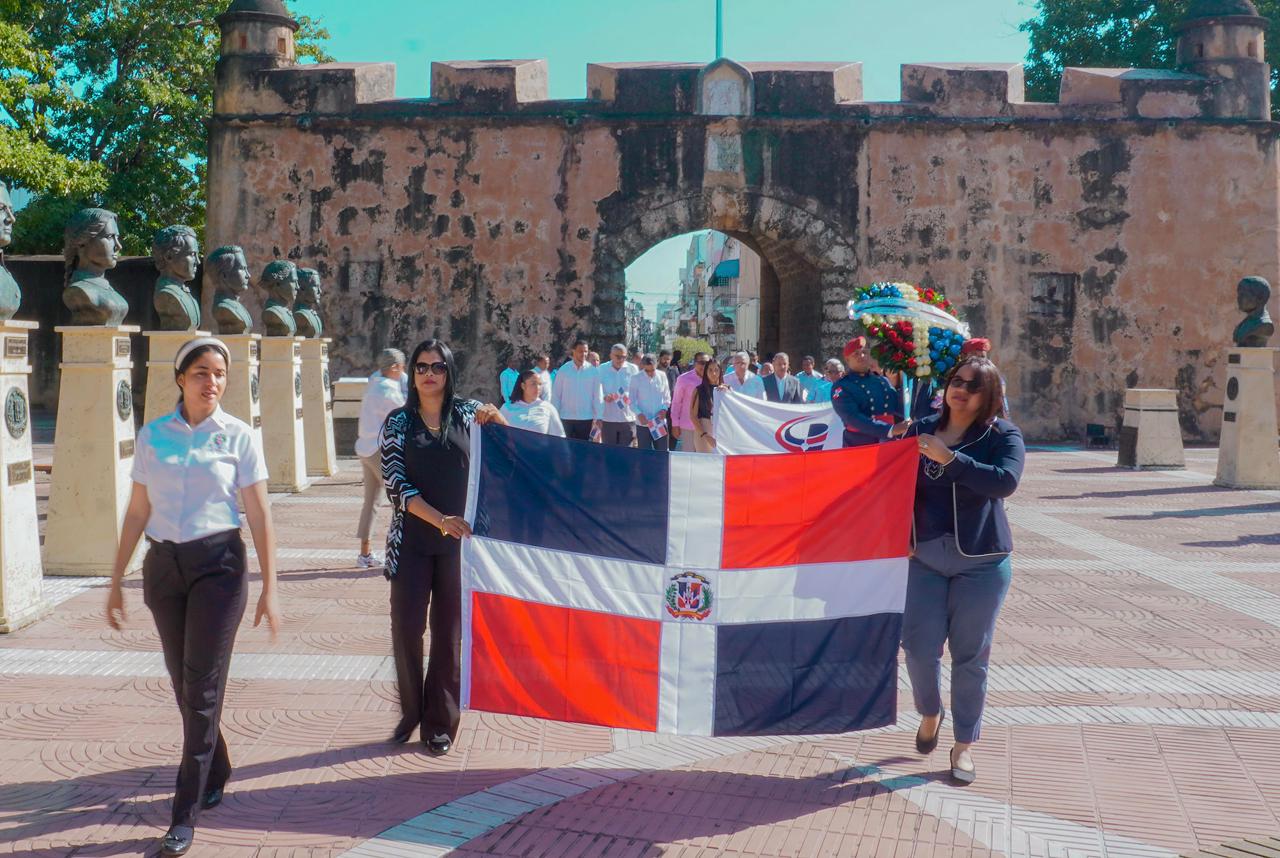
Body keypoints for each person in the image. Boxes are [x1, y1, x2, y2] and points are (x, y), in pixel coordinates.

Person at [106, 336, 280, 857]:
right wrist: (116, 580)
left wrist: (271, 587)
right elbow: (138, 511)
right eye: (202, 372)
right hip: (163, 570)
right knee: (184, 684)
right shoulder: (153, 435)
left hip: (220, 569)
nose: (212, 382)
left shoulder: (240, 437)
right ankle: (217, 763)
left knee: (202, 688)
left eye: (220, 373)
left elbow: (260, 514)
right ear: (181, 377)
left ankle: (184, 814)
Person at [380, 339, 507, 757]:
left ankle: (440, 723)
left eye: (437, 366)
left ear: (449, 371)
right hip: (413, 542)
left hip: (460, 547)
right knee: (406, 630)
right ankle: (412, 710)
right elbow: (396, 486)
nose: (428, 374)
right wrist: (441, 521)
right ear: (412, 374)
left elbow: (507, 453)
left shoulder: (470, 414)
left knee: (449, 633)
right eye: (420, 367)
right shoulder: (397, 423)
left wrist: (499, 417)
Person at [903, 358, 1024, 786]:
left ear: (987, 395)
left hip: (982, 562)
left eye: (973, 386)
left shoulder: (1002, 435)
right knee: (918, 649)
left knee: (970, 658)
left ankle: (964, 745)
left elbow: (1005, 481)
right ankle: (930, 711)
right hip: (924, 559)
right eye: (957, 381)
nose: (962, 390)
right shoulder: (918, 429)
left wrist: (950, 459)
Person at [354, 348, 407, 568]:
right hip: (379, 450)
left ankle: (364, 554)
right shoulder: (387, 390)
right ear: (394, 368)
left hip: (365, 448)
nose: (403, 371)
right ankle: (396, 552)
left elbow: (396, 376)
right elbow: (406, 413)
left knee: (372, 502)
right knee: (401, 499)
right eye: (401, 366)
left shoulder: (375, 382)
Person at [831, 337, 911, 446]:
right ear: (847, 360)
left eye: (864, 352)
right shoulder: (842, 386)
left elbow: (897, 406)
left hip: (888, 445)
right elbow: (852, 418)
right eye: (856, 354)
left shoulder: (882, 381)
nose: (862, 356)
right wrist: (890, 430)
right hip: (859, 446)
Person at [551, 339, 603, 441]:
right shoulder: (564, 370)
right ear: (573, 351)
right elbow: (556, 395)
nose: (583, 354)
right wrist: (554, 416)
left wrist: (599, 416)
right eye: (580, 351)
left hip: (586, 419)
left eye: (585, 351)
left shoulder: (593, 372)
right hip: (566, 418)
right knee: (566, 450)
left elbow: (597, 396)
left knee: (583, 450)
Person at [598, 343, 640, 446]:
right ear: (611, 355)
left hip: (628, 418)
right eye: (618, 356)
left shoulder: (633, 369)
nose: (621, 359)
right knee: (609, 453)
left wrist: (629, 397)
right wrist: (604, 397)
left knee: (626, 454)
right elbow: (596, 392)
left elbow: (638, 392)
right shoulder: (601, 369)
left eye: (624, 357)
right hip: (608, 418)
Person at [501, 369, 565, 436]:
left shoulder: (548, 409)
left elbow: (560, 436)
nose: (538, 388)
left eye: (540, 384)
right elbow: (499, 433)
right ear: (523, 386)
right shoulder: (507, 408)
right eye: (533, 384)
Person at [630, 354, 671, 451]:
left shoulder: (662, 376)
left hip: (659, 422)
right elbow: (631, 400)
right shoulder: (636, 378)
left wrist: (664, 409)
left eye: (652, 370)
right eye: (647, 370)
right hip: (643, 424)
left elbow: (667, 397)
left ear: (656, 364)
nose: (650, 373)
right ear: (643, 366)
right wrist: (639, 414)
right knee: (644, 454)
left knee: (662, 452)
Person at [670, 351, 708, 451]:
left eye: (707, 363)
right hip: (688, 426)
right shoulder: (683, 379)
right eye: (702, 363)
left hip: (707, 427)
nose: (704, 366)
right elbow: (676, 403)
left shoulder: (713, 378)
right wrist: (675, 424)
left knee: (705, 459)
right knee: (689, 459)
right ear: (695, 363)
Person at [689, 357, 726, 453]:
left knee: (720, 464)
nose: (713, 373)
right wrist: (705, 435)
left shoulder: (725, 390)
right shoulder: (699, 390)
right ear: (705, 372)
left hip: (721, 432)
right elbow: (693, 416)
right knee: (704, 464)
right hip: (703, 431)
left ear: (720, 372)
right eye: (710, 370)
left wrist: (727, 391)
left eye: (716, 370)